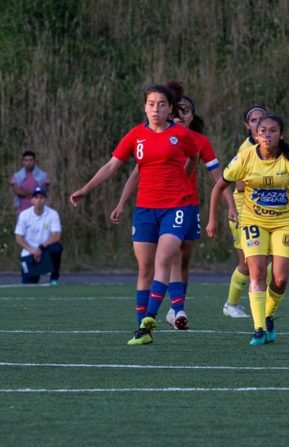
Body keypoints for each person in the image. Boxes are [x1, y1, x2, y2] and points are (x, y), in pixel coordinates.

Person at [70, 83, 199, 345]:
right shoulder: (136, 136)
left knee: (165, 259)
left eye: (161, 104)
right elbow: (112, 166)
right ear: (145, 107)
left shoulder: (182, 135)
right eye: (151, 104)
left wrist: (183, 184)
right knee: (144, 269)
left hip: (175, 208)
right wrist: (86, 188)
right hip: (145, 210)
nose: (156, 109)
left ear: (169, 108)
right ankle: (143, 329)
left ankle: (150, 317)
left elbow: (196, 156)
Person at [109, 86, 235, 331]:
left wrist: (227, 206)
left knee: (181, 260)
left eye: (186, 110)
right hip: (155, 207)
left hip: (185, 205)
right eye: (178, 110)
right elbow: (136, 172)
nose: (181, 114)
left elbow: (218, 177)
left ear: (192, 114)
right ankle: (173, 311)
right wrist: (122, 202)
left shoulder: (195, 140)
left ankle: (174, 307)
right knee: (167, 259)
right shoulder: (151, 137)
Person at [207, 113, 289, 345]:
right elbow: (219, 186)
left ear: (281, 134)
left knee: (280, 279)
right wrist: (212, 219)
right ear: (255, 134)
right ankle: (259, 328)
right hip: (254, 221)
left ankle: (268, 315)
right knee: (257, 272)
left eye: (273, 130)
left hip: (286, 222)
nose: (267, 134)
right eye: (262, 130)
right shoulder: (244, 157)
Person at [223, 106, 269, 319]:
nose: (258, 124)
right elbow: (241, 185)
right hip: (245, 210)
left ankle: (256, 303)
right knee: (248, 263)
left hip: (264, 210)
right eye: (253, 120)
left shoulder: (272, 147)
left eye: (262, 119)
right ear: (247, 125)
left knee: (266, 260)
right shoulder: (246, 150)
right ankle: (231, 304)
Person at [15, 186, 63, 285]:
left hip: (45, 250)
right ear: (32, 200)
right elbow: (18, 237)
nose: (39, 200)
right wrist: (32, 249)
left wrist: (41, 248)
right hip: (29, 252)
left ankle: (54, 278)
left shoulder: (53, 214)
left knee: (57, 248)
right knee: (28, 285)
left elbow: (56, 236)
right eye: (36, 198)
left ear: (45, 200)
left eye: (41, 197)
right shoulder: (24, 215)